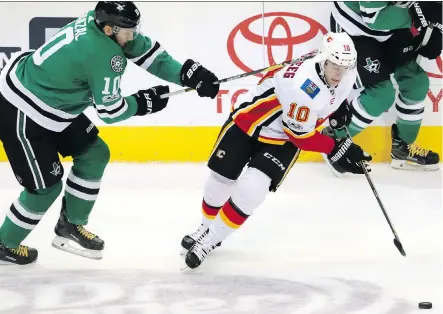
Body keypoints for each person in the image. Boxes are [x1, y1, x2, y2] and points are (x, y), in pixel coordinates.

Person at [0, 1, 220, 265]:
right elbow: (110, 111)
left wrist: (188, 74)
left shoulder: (105, 26)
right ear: (108, 30)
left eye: (133, 28)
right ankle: (5, 243)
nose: (133, 35)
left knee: (95, 153)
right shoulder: (104, 55)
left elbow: (149, 54)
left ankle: (70, 225)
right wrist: (144, 103)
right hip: (22, 108)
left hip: (51, 99)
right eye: (128, 31)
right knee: (45, 189)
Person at [181, 32, 372, 269]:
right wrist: (336, 148)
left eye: (344, 67)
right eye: (334, 66)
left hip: (282, 139)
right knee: (221, 178)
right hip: (249, 121)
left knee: (252, 190)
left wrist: (337, 109)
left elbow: (326, 102)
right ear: (323, 60)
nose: (339, 73)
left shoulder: (344, 71)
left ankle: (209, 240)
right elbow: (301, 137)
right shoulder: (302, 86)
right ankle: (205, 225)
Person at [324, 1, 442, 175]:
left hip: (391, 28)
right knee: (381, 94)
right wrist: (416, 17)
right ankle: (334, 140)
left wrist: (436, 27)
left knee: (415, 82)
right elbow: (374, 17)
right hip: (354, 29)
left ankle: (403, 148)